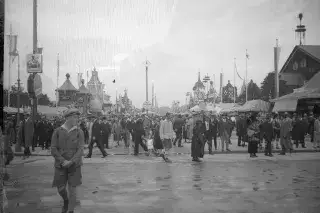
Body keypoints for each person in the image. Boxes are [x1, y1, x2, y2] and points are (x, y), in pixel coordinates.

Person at [50, 108, 84, 213]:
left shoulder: (79, 132)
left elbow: (80, 149)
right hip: (61, 165)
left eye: (77, 117)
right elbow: (53, 149)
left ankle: (70, 210)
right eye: (75, 117)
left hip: (74, 165)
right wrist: (62, 161)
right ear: (68, 118)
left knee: (73, 190)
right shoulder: (57, 131)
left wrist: (72, 161)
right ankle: (66, 200)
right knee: (60, 188)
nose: (77, 119)